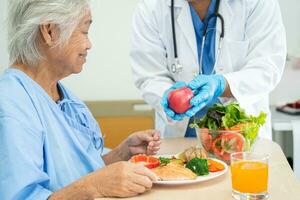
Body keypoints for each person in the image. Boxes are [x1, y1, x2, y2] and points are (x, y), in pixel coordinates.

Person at [0, 0, 161, 199]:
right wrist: (94, 187)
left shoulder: (64, 98)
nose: (89, 44)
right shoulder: (11, 104)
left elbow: (78, 171)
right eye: (84, 31)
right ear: (49, 31)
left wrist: (122, 153)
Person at [130, 0, 287, 139]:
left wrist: (222, 84)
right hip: (181, 139)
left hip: (241, 137)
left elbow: (267, 68)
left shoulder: (257, 3)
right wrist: (168, 95)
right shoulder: (151, 8)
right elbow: (149, 76)